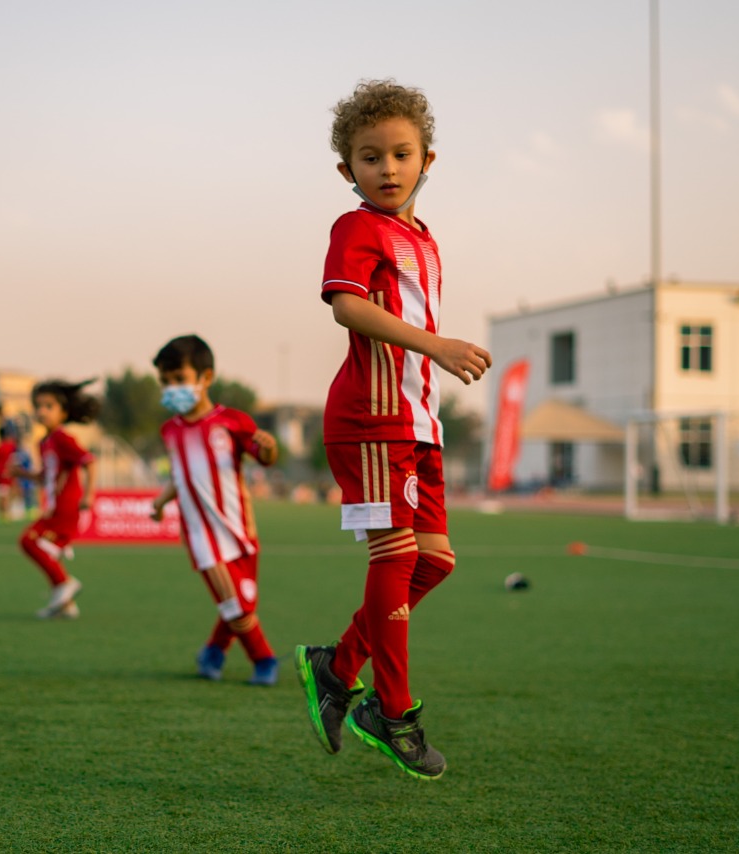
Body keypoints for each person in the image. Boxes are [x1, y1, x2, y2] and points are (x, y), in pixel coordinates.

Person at [294, 80, 492, 780]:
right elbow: (347, 306)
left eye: (401, 154)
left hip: (417, 423)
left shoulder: (423, 238)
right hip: (370, 420)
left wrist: (432, 376)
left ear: (426, 160)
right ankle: (393, 711)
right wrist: (437, 346)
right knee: (396, 557)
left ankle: (337, 665)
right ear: (347, 169)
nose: (387, 168)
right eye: (370, 157)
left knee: (435, 561)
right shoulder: (357, 228)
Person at [149, 335, 280, 686]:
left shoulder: (232, 421)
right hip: (201, 534)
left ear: (206, 377)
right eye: (165, 381)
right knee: (237, 605)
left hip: (239, 527)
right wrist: (161, 502)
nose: (171, 388)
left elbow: (263, 457)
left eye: (179, 379)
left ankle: (213, 652)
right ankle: (263, 659)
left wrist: (269, 448)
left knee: (243, 601)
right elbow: (180, 476)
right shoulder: (170, 430)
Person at [17, 379, 98, 619]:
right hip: (53, 508)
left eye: (49, 406)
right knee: (45, 551)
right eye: (38, 406)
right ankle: (66, 605)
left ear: (63, 412)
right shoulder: (44, 442)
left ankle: (64, 584)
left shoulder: (63, 438)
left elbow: (89, 461)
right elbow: (45, 476)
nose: (42, 411)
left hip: (66, 508)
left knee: (29, 541)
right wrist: (20, 473)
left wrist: (89, 494)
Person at [0, 427, 19, 521]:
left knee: (4, 493)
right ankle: (5, 513)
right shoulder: (10, 446)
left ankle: (3, 512)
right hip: (7, 474)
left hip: (1, 474)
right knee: (6, 494)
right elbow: (13, 460)